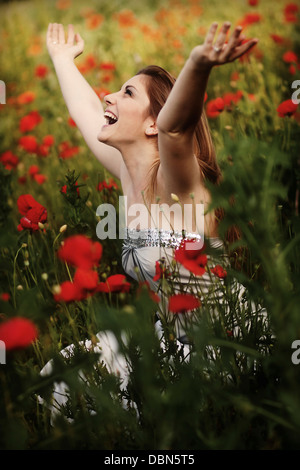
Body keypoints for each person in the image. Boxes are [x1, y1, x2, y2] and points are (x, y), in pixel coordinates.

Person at [40, 22, 262, 417]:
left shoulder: (178, 176)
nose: (107, 95)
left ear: (150, 124)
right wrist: (61, 59)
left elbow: (175, 128)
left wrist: (198, 62)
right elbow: (86, 111)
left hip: (222, 345)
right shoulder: (129, 174)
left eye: (126, 93)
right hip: (174, 341)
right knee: (66, 371)